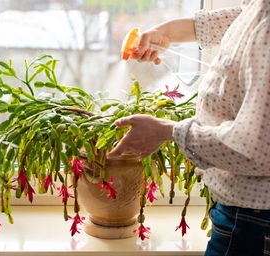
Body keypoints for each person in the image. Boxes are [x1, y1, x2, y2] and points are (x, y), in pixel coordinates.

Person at [108, 0, 270, 255]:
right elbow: (247, 17)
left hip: (254, 224)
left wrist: (168, 130)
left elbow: (254, 149)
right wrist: (169, 32)